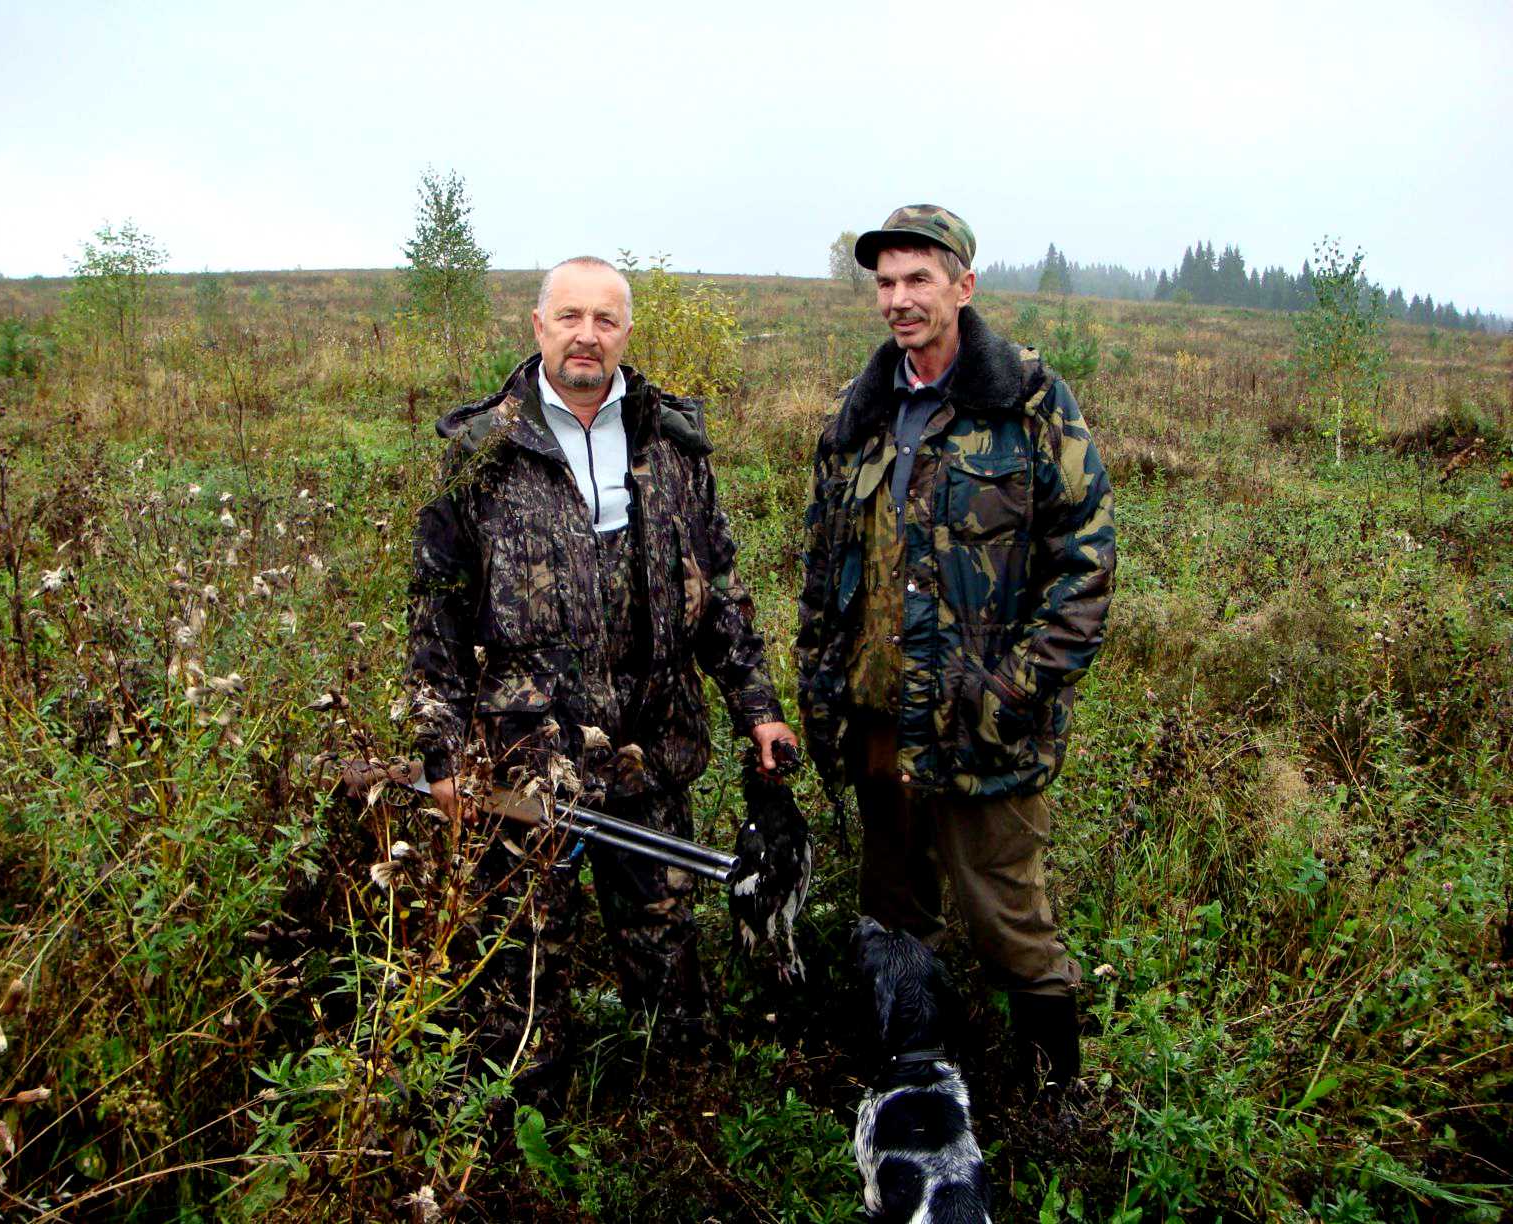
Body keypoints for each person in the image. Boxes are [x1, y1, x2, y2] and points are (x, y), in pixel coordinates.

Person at [407, 256, 795, 1075]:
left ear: (626, 333)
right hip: (526, 755)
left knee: (668, 964)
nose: (587, 335)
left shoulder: (673, 440)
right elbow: (436, 609)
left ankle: (680, 1117)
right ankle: (519, 1126)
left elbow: (718, 591)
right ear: (539, 326)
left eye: (606, 320)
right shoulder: (483, 448)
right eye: (571, 317)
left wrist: (757, 707)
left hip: (650, 738)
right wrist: (440, 751)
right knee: (517, 962)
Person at [795, 206, 1115, 1091]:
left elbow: (1084, 560)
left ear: (963, 287)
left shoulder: (1029, 401)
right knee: (895, 912)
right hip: (879, 718)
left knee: (1008, 920)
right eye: (887, 283)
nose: (899, 300)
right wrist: (819, 685)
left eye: (918, 280)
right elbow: (824, 566)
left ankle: (1054, 1099)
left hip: (983, 727)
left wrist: (1013, 691)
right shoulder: (859, 417)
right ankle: (912, 1071)